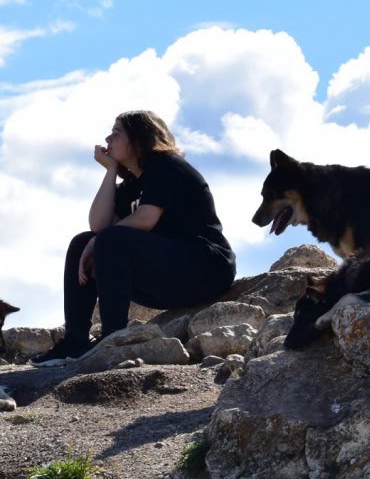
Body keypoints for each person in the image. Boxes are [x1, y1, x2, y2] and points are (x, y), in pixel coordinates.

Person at [31, 110, 237, 364]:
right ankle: (75, 341)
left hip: (205, 267)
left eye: (116, 133)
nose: (107, 138)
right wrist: (110, 171)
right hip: (166, 278)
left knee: (108, 240)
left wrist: (99, 240)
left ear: (139, 139)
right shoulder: (132, 185)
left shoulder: (166, 166)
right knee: (81, 242)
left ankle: (113, 339)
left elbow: (144, 219)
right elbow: (98, 225)